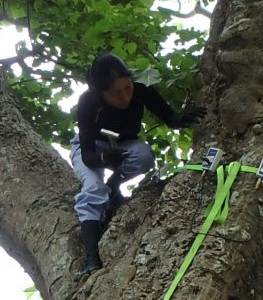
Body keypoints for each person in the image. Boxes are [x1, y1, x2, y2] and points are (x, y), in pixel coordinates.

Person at [71, 53, 205, 275]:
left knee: (144, 155)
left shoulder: (141, 92)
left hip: (122, 145)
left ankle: (113, 189)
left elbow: (170, 118)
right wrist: (105, 159)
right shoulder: (88, 103)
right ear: (100, 92)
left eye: (127, 88)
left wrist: (182, 119)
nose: (124, 96)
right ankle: (92, 260)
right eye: (116, 93)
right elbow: (87, 155)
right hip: (92, 148)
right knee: (93, 188)